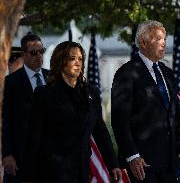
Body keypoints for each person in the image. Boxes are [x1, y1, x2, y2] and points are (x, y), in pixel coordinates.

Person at [28, 41, 121, 183]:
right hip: (52, 171)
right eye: (72, 58)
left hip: (81, 170)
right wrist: (29, 175)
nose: (78, 63)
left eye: (80, 59)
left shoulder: (92, 92)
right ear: (61, 62)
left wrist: (113, 164)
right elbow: (35, 136)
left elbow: (100, 132)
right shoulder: (44, 94)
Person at [111, 20, 180, 183]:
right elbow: (120, 121)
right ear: (143, 42)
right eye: (158, 39)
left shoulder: (168, 73)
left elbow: (175, 117)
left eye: (164, 39)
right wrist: (132, 155)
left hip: (169, 163)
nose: (163, 43)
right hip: (142, 165)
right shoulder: (126, 73)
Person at [2, 33, 49, 183]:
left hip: (50, 158)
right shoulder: (11, 83)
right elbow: (6, 121)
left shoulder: (53, 78)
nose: (39, 56)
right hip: (20, 157)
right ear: (24, 54)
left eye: (42, 51)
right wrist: (7, 154)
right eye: (34, 53)